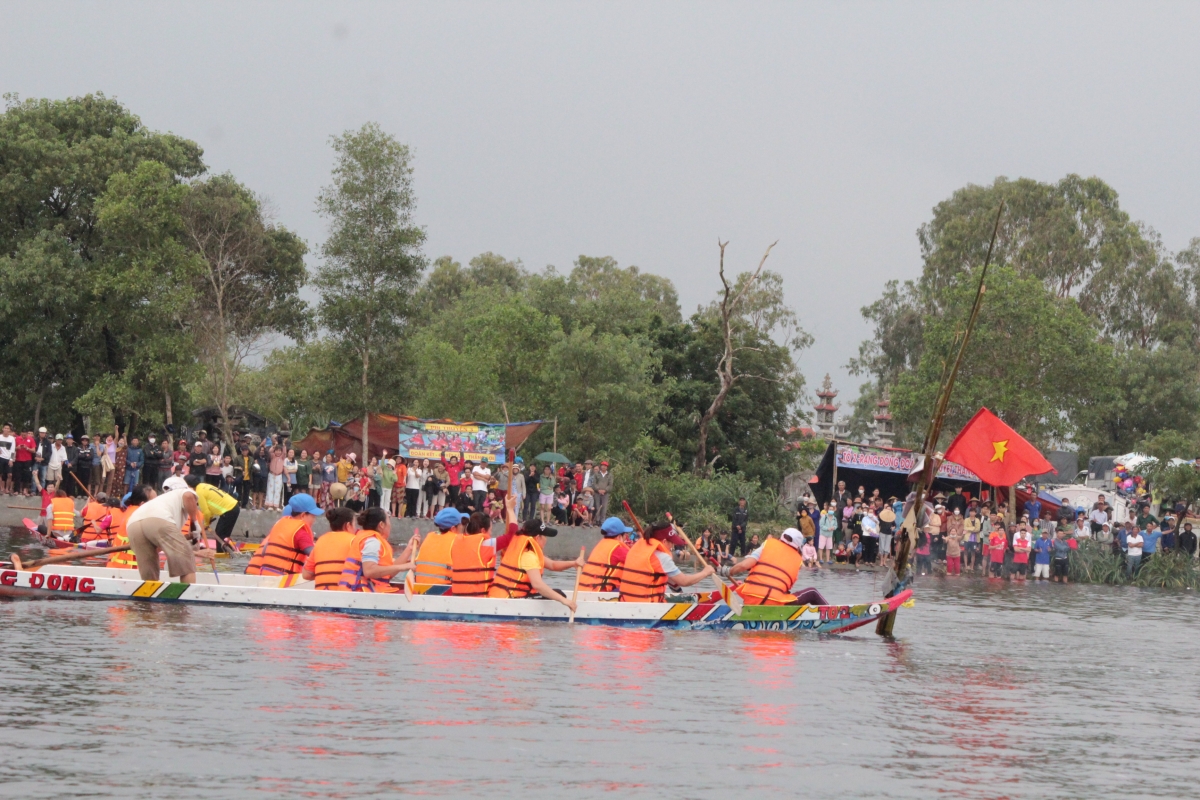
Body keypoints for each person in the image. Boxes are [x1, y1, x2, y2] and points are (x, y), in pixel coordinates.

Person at [125, 475, 215, 583]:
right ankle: (188, 592)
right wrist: (195, 522)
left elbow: (162, 546)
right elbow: (188, 496)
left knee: (148, 566)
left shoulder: (162, 500)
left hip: (133, 523)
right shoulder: (183, 491)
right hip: (157, 519)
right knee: (186, 560)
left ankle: (149, 591)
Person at [488, 519, 584, 613]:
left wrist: (573, 563)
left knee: (556, 594)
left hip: (500, 595)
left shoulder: (525, 551)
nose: (546, 539)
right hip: (510, 600)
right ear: (538, 538)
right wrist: (564, 601)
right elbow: (537, 585)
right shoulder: (529, 556)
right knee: (559, 594)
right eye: (545, 536)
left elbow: (553, 565)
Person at [616, 520, 713, 602]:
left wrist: (681, 596)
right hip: (646, 605)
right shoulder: (662, 557)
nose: (672, 546)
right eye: (671, 542)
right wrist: (705, 572)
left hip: (626, 599)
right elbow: (684, 581)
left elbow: (671, 580)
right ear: (664, 541)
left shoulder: (637, 548)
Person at [338, 507, 419, 592]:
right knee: (414, 595)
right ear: (381, 525)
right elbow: (369, 571)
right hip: (360, 591)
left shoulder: (372, 540)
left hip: (367, 590)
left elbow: (388, 573)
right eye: (388, 520)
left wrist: (409, 549)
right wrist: (403, 567)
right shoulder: (372, 541)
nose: (390, 525)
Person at [244, 492, 321, 576]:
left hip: (265, 574)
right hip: (282, 578)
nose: (314, 520)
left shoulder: (279, 525)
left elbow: (264, 552)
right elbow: (314, 555)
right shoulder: (301, 532)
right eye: (313, 517)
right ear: (303, 515)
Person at [728, 528, 811, 605]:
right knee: (812, 593)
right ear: (798, 546)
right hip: (775, 603)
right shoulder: (797, 559)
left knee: (746, 584)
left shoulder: (767, 545)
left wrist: (728, 571)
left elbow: (743, 566)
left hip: (751, 599)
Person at [301, 506, 359, 589]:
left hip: (322, 593)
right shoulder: (354, 540)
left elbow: (306, 574)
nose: (355, 528)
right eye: (354, 524)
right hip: (346, 593)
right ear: (348, 525)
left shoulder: (320, 541)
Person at [414, 506, 467, 585]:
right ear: (453, 528)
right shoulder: (457, 539)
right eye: (460, 524)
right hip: (444, 588)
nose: (462, 526)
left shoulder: (429, 536)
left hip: (420, 587)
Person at [580, 516, 634, 593]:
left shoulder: (601, 544)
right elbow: (639, 563)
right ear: (619, 537)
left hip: (583, 590)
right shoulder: (619, 549)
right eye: (625, 535)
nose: (625, 538)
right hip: (599, 593)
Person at [107, 484, 152, 570]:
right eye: (155, 501)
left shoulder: (131, 510)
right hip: (126, 568)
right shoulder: (138, 516)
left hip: (117, 565)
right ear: (143, 504)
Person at [193, 481, 241, 554]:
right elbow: (210, 508)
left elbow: (206, 512)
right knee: (223, 534)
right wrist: (209, 520)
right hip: (233, 507)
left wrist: (206, 524)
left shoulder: (198, 492)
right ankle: (228, 551)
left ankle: (222, 554)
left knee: (220, 534)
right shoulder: (203, 486)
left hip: (229, 510)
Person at [0, 423, 14, 495]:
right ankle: (1, 489)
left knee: (10, 475)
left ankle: (7, 489)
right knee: (0, 474)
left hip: (8, 458)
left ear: (9, 430)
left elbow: (13, 450)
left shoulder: (12, 438)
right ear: (3, 429)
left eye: (7, 428)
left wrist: (11, 459)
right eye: (5, 428)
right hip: (1, 457)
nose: (6, 429)